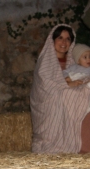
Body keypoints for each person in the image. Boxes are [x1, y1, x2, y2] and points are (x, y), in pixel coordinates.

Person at [30, 24, 90, 153]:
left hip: (76, 104)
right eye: (60, 38)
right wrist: (67, 86)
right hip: (50, 106)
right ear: (53, 40)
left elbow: (82, 76)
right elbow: (45, 87)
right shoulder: (45, 63)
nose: (64, 42)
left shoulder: (74, 63)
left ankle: (83, 146)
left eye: (68, 39)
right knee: (70, 95)